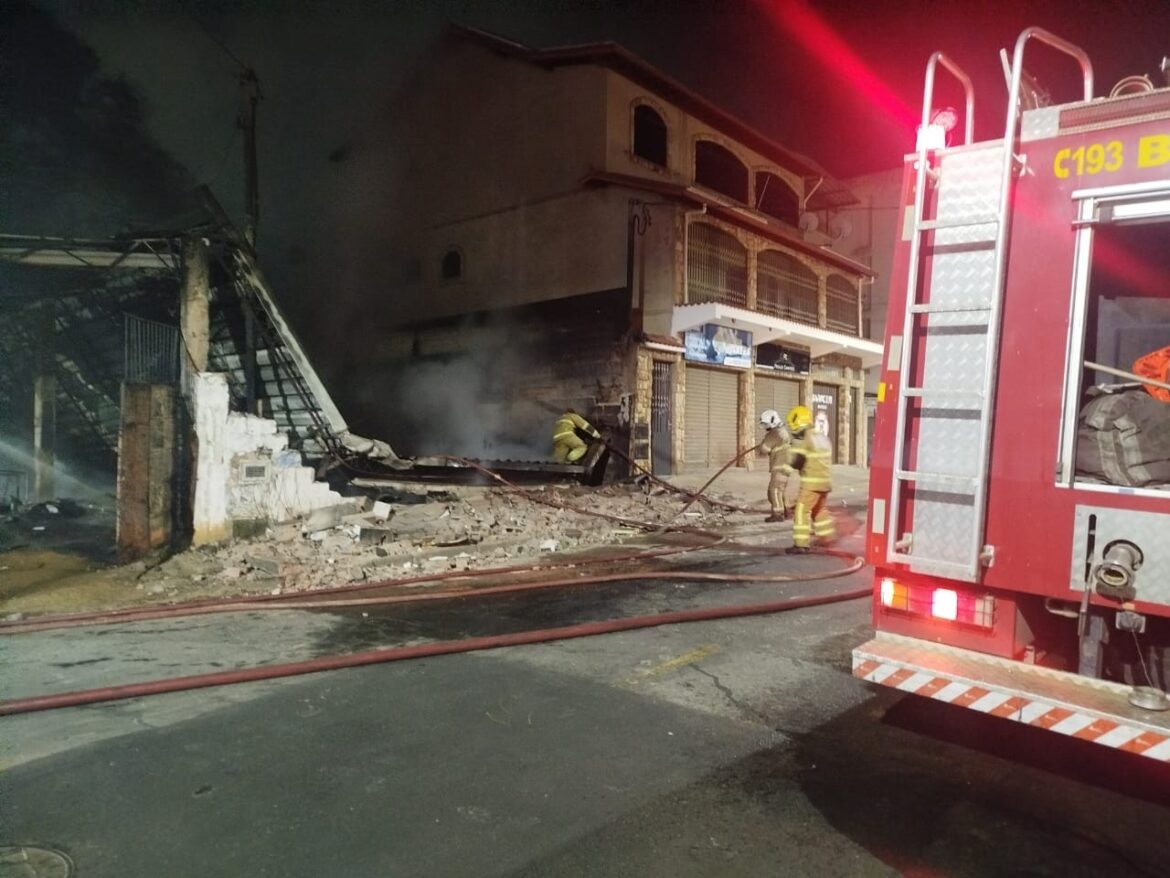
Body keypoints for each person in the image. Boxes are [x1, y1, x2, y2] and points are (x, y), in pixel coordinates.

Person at [781, 404, 836, 554]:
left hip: (811, 483)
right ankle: (827, 538)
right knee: (819, 510)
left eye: (793, 424)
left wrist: (785, 470)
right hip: (825, 483)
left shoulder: (806, 439)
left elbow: (798, 460)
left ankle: (801, 544)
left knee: (801, 511)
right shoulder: (822, 437)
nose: (792, 429)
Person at [758, 409, 790, 522]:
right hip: (785, 466)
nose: (765, 426)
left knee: (774, 490)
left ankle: (778, 514)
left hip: (780, 466)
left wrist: (761, 444)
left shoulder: (774, 433)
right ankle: (784, 511)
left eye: (766, 424)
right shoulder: (782, 431)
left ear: (772, 421)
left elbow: (764, 449)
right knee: (779, 490)